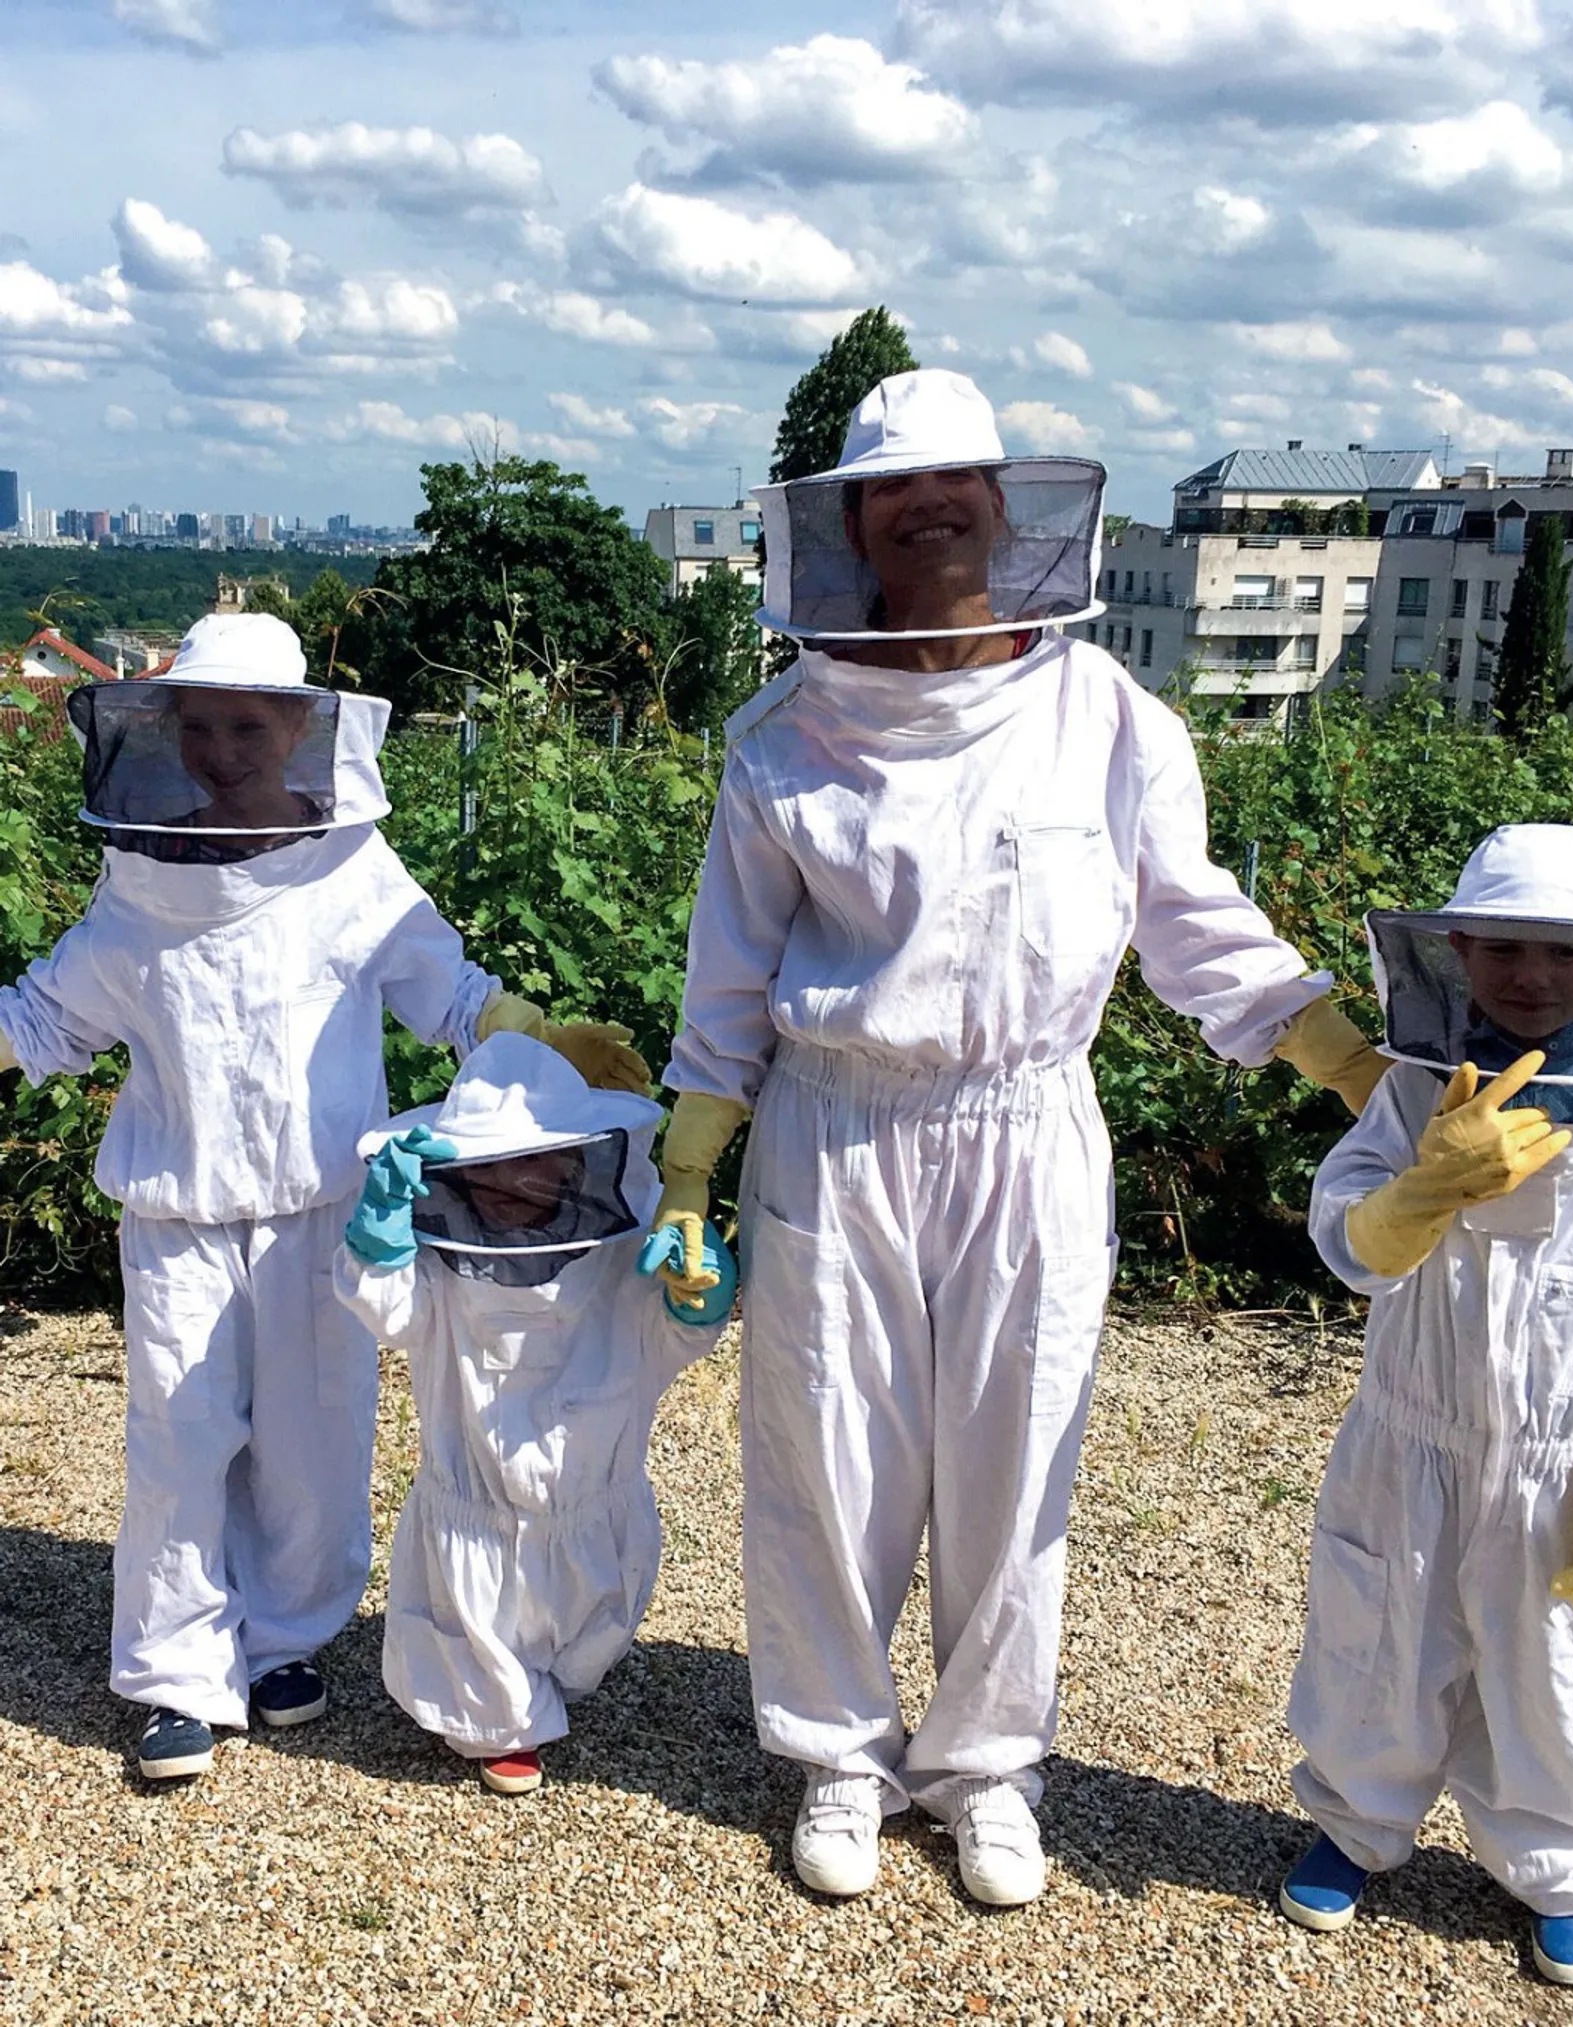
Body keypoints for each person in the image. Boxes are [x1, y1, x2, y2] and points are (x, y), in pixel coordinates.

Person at [644, 369, 1391, 1906]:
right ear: (846, 522)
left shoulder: (1109, 715)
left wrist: (1349, 1060)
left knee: (1017, 1456)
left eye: (956, 482)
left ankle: (989, 1763)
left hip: (1027, 1126)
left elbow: (1197, 929)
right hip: (837, 1133)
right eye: (892, 489)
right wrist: (691, 1169)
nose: (928, 506)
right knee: (826, 1458)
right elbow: (729, 976)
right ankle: (840, 1750)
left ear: (1005, 503)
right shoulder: (783, 737)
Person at [0, 614, 648, 1781]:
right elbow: (46, 1017)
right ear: (162, 728)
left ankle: (289, 1637)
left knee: (315, 1432)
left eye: (248, 723)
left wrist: (542, 1049)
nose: (220, 748)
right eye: (198, 724)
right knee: (181, 1439)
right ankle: (176, 1672)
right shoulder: (139, 881)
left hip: (330, 1210)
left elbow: (448, 992)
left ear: (302, 725)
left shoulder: (355, 869)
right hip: (179, 1212)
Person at [1281, 823, 1573, 1987]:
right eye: (1503, 948)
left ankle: (1564, 1868)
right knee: (1379, 1634)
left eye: (1562, 952)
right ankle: (1356, 1818)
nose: (1529, 974)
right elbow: (1348, 1241)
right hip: (1410, 1432)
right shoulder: (1417, 1095)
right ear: (1459, 954)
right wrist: (1421, 1186)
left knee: (1561, 1665)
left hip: (1563, 1451)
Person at [334, 1033, 733, 1793]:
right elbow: (387, 1310)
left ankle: (551, 1679)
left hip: (596, 1506)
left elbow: (674, 1333)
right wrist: (377, 1241)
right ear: (456, 1172)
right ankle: (499, 1719)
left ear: (579, 1160)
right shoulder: (443, 1268)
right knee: (483, 1670)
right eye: (489, 1166)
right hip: (474, 1504)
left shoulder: (620, 1252)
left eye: (535, 1160)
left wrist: (701, 1282)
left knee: (588, 1642)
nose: (513, 1180)